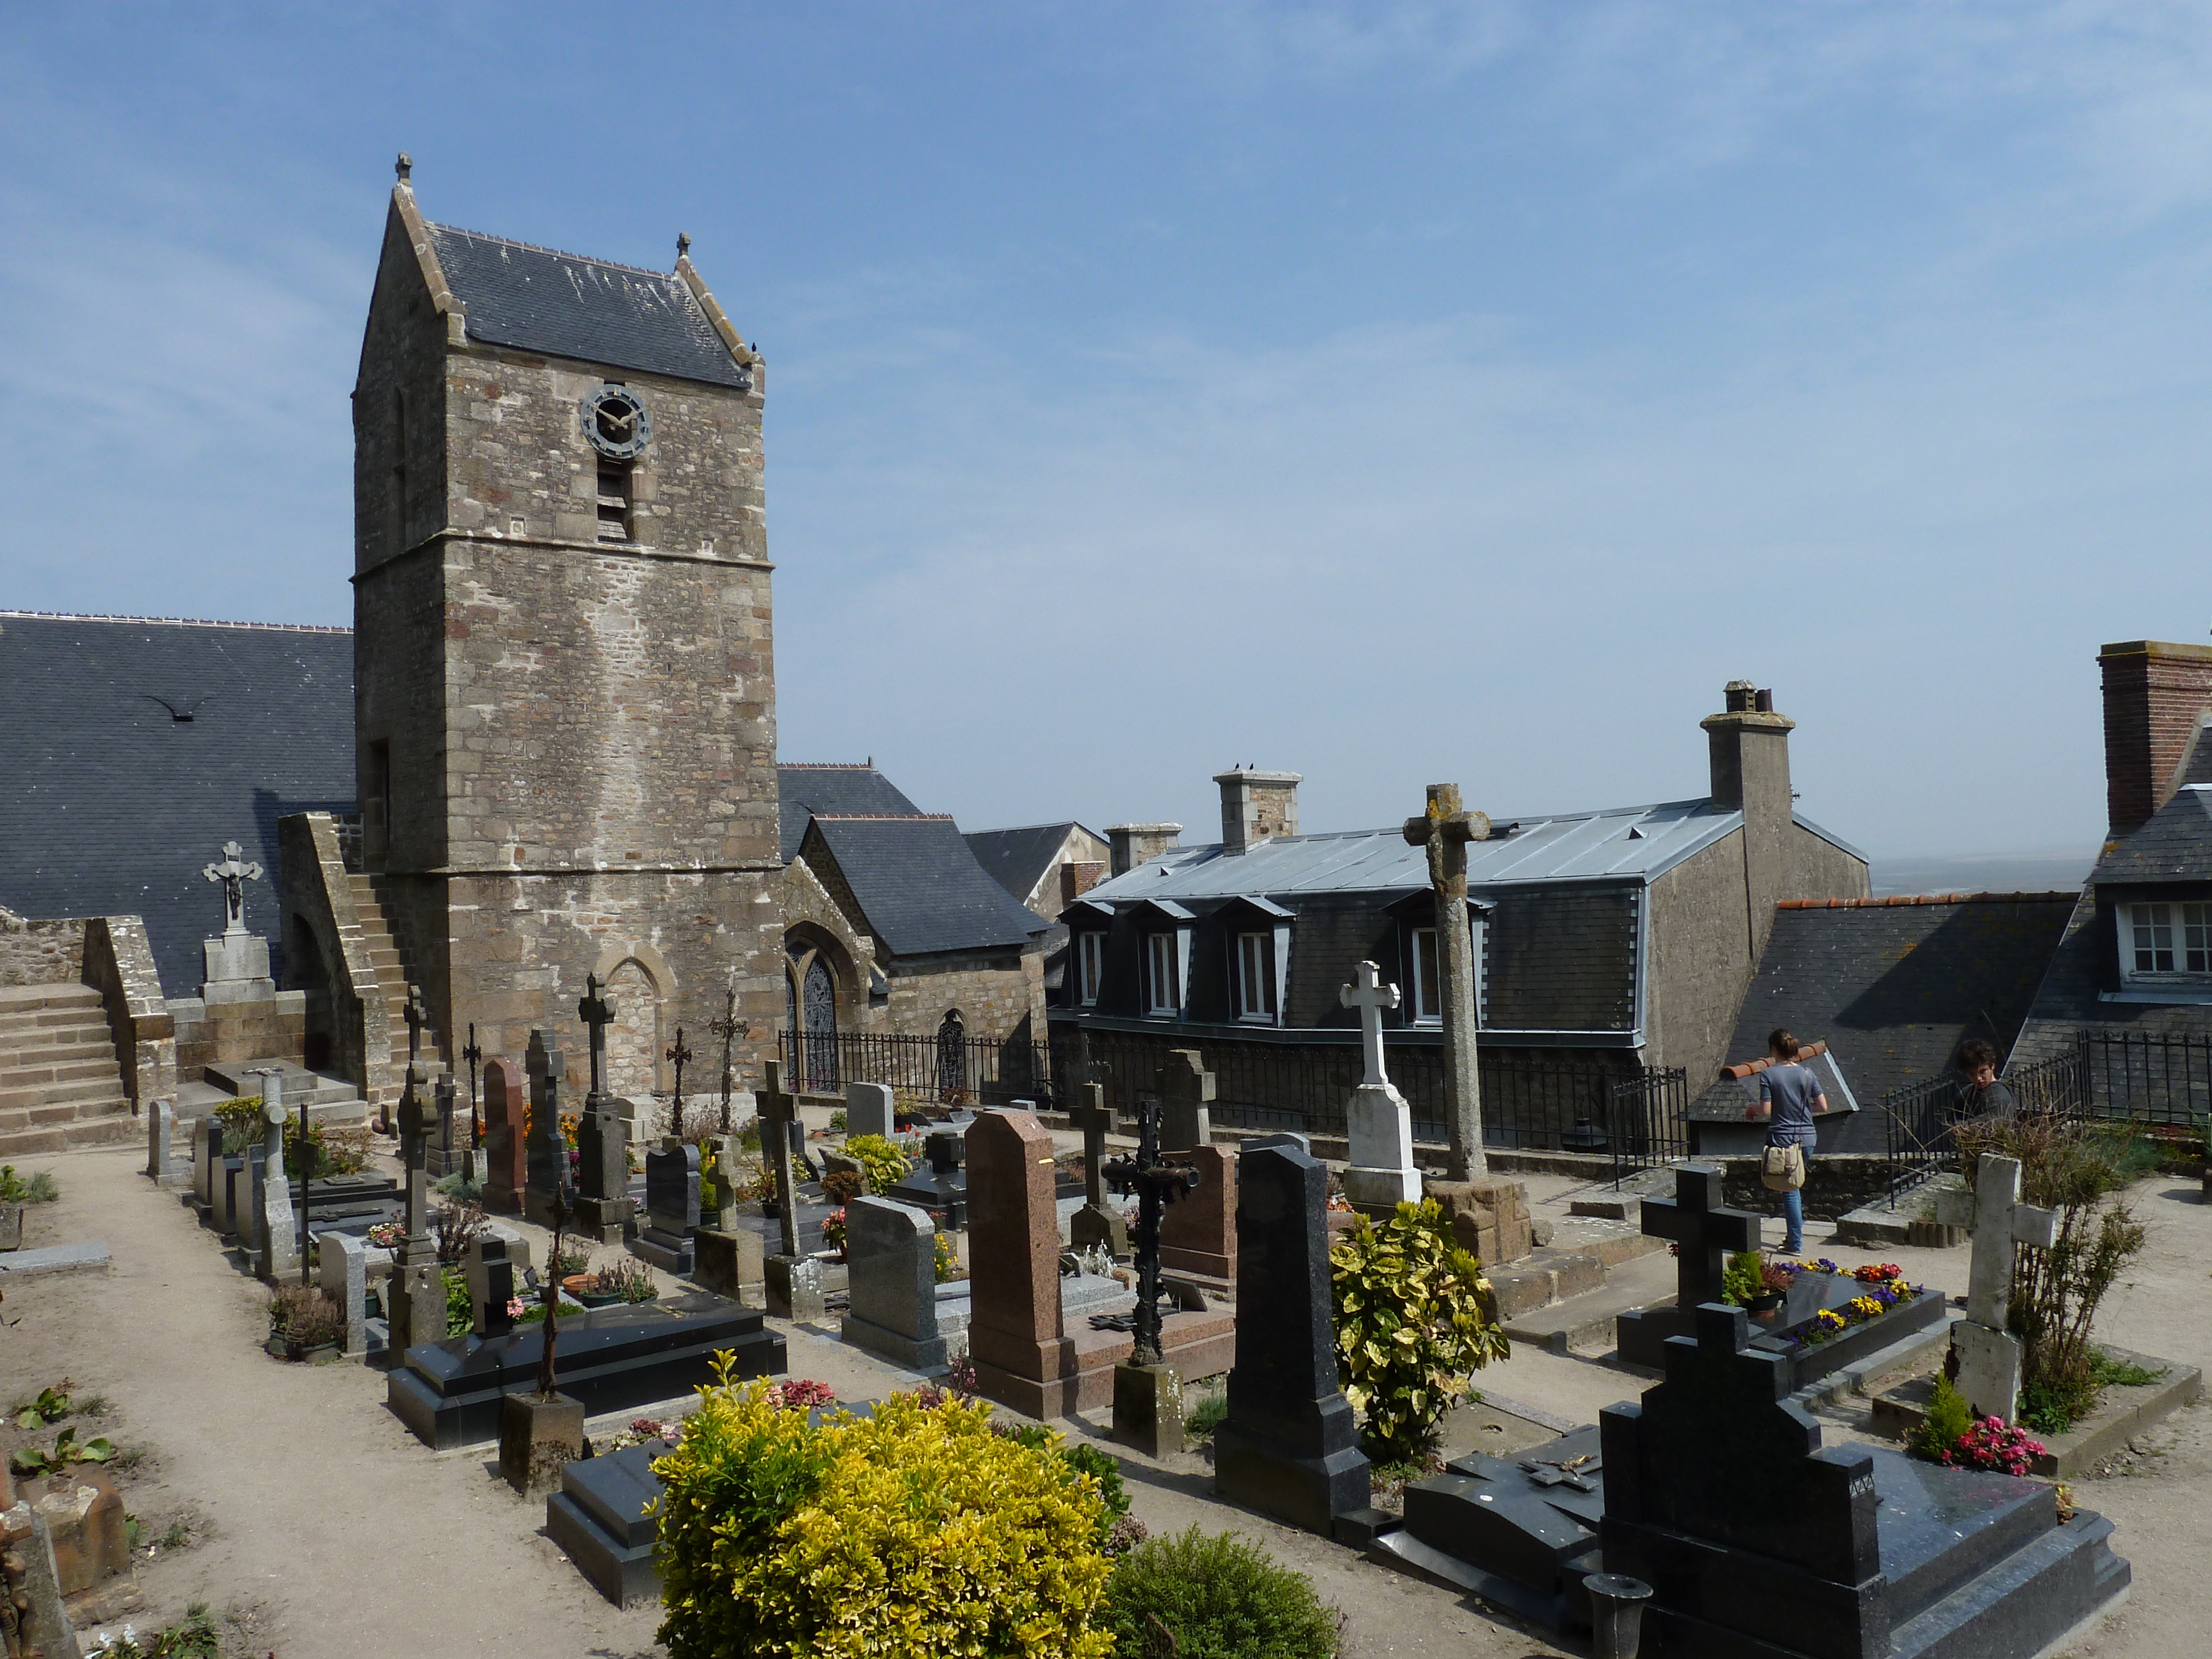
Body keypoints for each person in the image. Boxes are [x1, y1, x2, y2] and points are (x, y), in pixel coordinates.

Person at [1745, 1027, 1824, 1255]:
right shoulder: (1808, 1074)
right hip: (1808, 1138)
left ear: (1773, 1050)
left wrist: (1751, 1108)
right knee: (1795, 1186)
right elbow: (1822, 1106)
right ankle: (1793, 1237)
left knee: (1790, 1190)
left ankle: (1795, 1244)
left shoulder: (1769, 1075)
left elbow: (1766, 1110)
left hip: (1783, 1139)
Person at [1954, 1039, 2018, 1121]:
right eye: (1972, 1074)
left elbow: (1992, 1125)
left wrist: (1961, 1127)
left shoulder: (1999, 1096)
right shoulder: (1965, 1094)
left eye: (1982, 1072)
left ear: (1992, 1067)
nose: (1978, 1078)